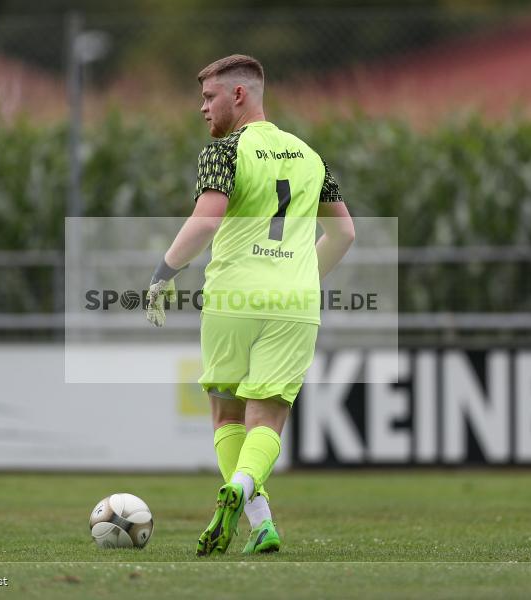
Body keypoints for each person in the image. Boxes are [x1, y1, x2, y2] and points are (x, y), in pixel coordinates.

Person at [146, 54, 354, 556]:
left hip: (233, 298)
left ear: (239, 95)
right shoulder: (310, 156)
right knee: (270, 420)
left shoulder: (226, 151)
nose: (202, 108)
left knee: (226, 417)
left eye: (209, 96)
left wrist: (164, 274)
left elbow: (205, 221)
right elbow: (344, 232)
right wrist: (303, 275)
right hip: (295, 302)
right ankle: (254, 512)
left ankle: (250, 507)